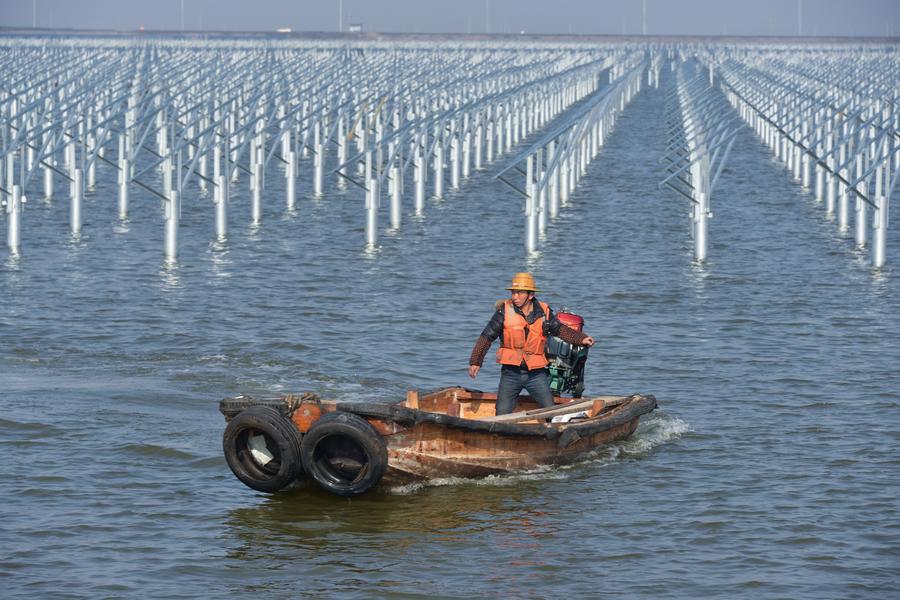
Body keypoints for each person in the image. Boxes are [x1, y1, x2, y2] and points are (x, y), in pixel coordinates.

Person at [468, 272, 595, 415]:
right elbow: (486, 337)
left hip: (536, 374)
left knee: (550, 411)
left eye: (519, 293)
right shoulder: (503, 312)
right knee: (501, 412)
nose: (514, 297)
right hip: (511, 373)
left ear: (530, 295)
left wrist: (581, 338)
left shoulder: (544, 312)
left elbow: (560, 330)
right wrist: (475, 361)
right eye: (513, 293)